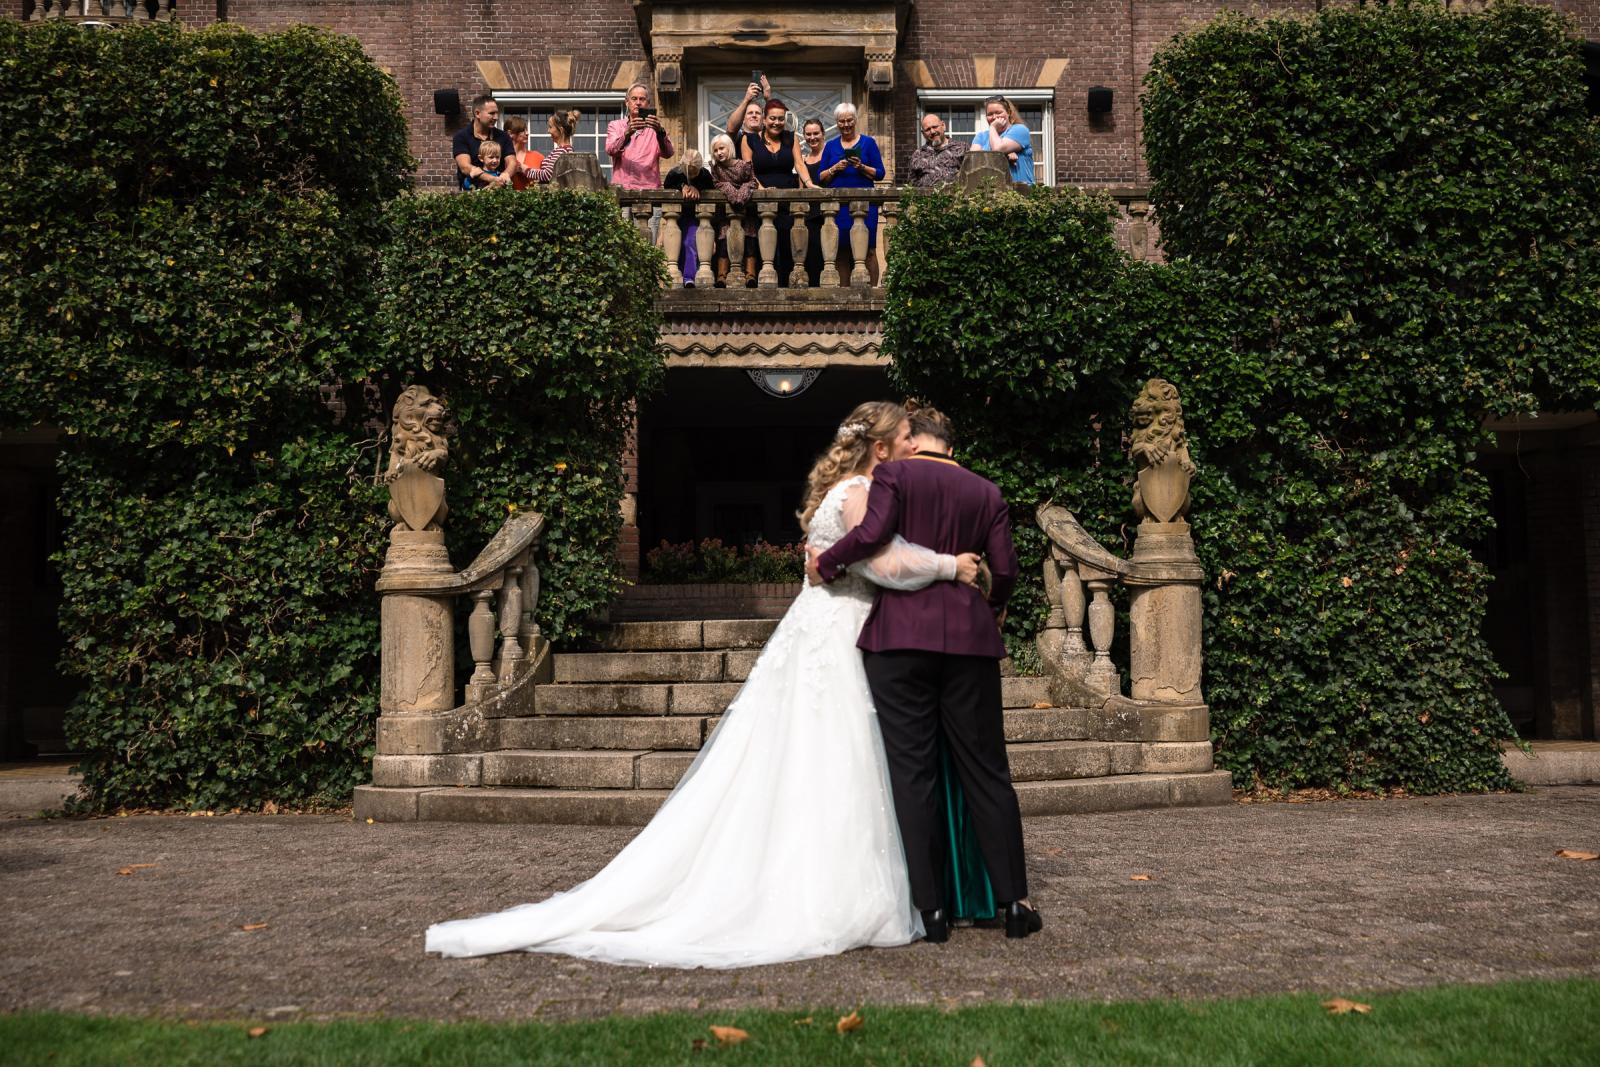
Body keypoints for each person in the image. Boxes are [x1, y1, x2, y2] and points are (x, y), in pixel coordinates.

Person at [425, 402, 984, 966]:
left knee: (801, 754)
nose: (918, 447)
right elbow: (882, 563)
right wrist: (948, 565)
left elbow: (834, 558)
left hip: (815, 629)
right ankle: (831, 890)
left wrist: (827, 563)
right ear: (883, 448)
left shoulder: (838, 488)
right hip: (842, 631)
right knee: (837, 753)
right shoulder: (863, 489)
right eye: (909, 438)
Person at [808, 406, 1041, 943]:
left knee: (914, 775)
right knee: (987, 770)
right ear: (952, 444)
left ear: (916, 442)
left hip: (898, 641)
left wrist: (826, 563)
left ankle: (931, 912)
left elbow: (871, 535)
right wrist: (995, 605)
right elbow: (1004, 570)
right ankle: (1013, 904)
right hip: (968, 641)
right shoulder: (987, 492)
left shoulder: (894, 474)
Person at [742, 98, 813, 285]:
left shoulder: (791, 138)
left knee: (787, 244)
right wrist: (763, 191)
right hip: (761, 202)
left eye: (781, 119)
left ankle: (788, 286)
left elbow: (799, 164)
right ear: (764, 120)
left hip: (787, 201)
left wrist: (809, 184)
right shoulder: (749, 139)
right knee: (765, 248)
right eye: (773, 118)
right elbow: (748, 171)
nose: (777, 123)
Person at [816, 102, 885, 284]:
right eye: (841, 121)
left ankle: (871, 289)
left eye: (849, 121)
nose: (846, 125)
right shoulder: (830, 146)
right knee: (842, 249)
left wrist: (861, 167)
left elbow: (880, 173)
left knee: (868, 249)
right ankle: (845, 291)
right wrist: (834, 168)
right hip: (839, 207)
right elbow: (820, 177)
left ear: (855, 121)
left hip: (865, 205)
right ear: (836, 123)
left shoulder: (868, 143)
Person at [606, 82, 674, 190]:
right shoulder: (615, 126)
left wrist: (660, 132)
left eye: (642, 99)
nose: (638, 103)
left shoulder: (655, 128)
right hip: (622, 189)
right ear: (627, 102)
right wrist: (627, 134)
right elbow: (610, 150)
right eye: (634, 98)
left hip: (649, 190)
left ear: (648, 103)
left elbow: (668, 153)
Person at [708, 133, 756, 287]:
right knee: (723, 242)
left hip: (745, 211)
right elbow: (716, 184)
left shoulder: (743, 165)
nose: (719, 153)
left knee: (749, 242)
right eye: (715, 150)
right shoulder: (716, 169)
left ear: (729, 148)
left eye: (722, 148)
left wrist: (740, 194)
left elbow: (752, 182)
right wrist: (728, 187)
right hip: (725, 213)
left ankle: (750, 275)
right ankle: (721, 276)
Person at [663, 149, 714, 287]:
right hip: (678, 216)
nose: (691, 176)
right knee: (676, 247)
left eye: (694, 172)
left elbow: (712, 189)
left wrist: (699, 190)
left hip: (696, 216)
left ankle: (689, 277)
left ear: (699, 168)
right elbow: (667, 187)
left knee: (689, 242)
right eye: (688, 172)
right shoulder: (675, 173)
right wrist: (682, 186)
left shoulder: (705, 175)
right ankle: (678, 276)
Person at [452, 94, 519, 191]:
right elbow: (465, 167)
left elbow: (512, 162)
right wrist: (493, 179)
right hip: (471, 196)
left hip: (499, 194)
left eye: (497, 113)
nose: (496, 117)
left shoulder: (504, 136)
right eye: (491, 113)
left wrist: (505, 174)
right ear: (477, 113)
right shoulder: (461, 137)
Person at [970, 94, 1034, 186]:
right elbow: (973, 160)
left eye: (998, 112)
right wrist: (1005, 154)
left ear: (1008, 112)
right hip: (992, 193)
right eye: (990, 114)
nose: (994, 117)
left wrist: (992, 127)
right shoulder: (981, 137)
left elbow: (997, 148)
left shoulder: (1020, 130)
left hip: (1021, 192)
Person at [798, 117, 828, 287]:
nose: (812, 137)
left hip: (827, 213)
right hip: (810, 215)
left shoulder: (830, 155)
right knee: (813, 255)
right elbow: (800, 189)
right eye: (808, 134)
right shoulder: (803, 160)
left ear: (823, 134)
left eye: (816, 133)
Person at [906, 112, 967, 189]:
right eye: (928, 129)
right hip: (925, 200)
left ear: (943, 126)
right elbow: (911, 186)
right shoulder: (917, 155)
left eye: (935, 127)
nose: (932, 132)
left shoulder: (962, 148)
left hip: (955, 199)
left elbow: (971, 177)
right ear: (923, 134)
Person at [533, 108, 579, 184]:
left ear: (560, 130)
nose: (548, 131)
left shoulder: (561, 151)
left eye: (550, 127)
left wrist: (525, 169)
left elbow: (547, 175)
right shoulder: (567, 149)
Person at [504, 116, 544, 191]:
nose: (527, 133)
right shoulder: (498, 158)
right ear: (510, 133)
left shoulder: (538, 157)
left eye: (526, 130)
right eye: (522, 130)